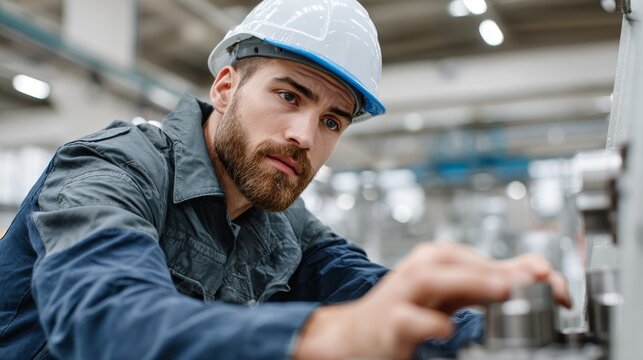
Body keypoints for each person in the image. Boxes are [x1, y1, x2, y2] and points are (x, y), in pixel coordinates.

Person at [0, 0, 570, 359]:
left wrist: (495, 323)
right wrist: (328, 336)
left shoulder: (280, 221)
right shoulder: (112, 170)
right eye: (288, 95)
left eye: (331, 120)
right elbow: (107, 321)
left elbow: (369, 291)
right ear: (224, 89)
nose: (305, 136)